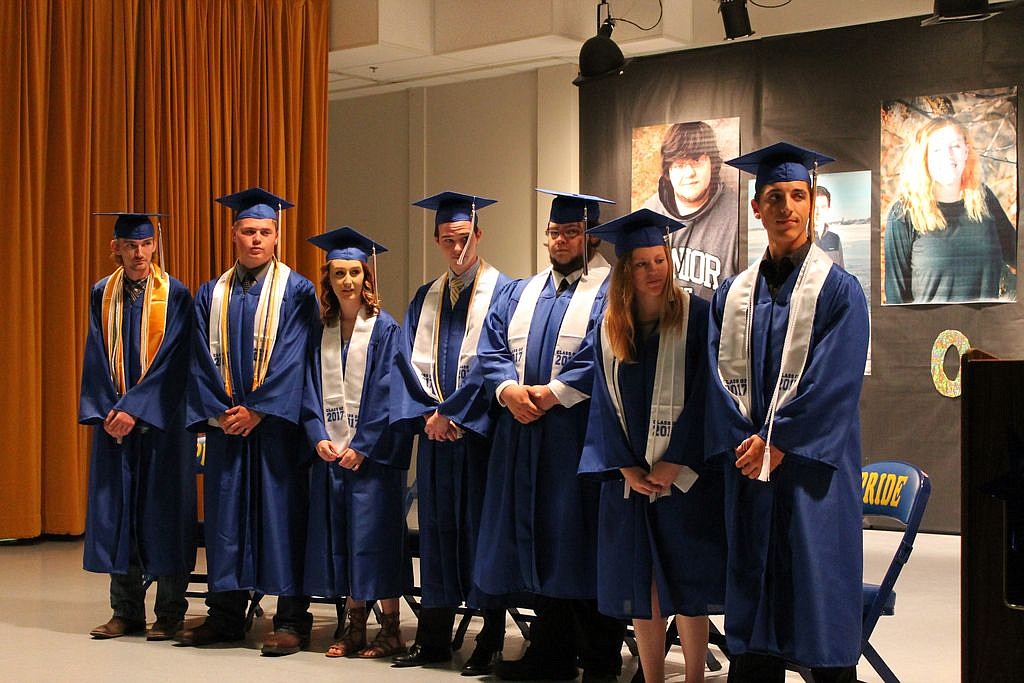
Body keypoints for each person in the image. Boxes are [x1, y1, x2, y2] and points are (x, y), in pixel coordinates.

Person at [707, 143, 870, 682]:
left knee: (816, 608)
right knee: (754, 619)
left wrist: (779, 442)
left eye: (797, 195)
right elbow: (716, 380)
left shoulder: (840, 291)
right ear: (757, 208)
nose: (787, 207)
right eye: (774, 197)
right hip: (751, 470)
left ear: (813, 205)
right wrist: (743, 441)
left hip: (808, 476)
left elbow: (835, 383)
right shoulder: (732, 295)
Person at [475, 189, 626, 682]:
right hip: (523, 437)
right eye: (555, 232)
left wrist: (553, 393)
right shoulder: (522, 290)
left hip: (577, 437)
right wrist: (507, 391)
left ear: (591, 237)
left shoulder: (610, 290)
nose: (561, 240)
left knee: (580, 542)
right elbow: (491, 346)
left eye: (572, 232)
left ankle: (600, 658)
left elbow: (603, 350)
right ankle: (552, 654)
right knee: (541, 541)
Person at [580, 208, 726, 683]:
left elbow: (709, 393)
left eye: (660, 259)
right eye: (641, 263)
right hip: (630, 483)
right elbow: (600, 401)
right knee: (643, 589)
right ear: (625, 272)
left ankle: (695, 679)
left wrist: (676, 460)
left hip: (683, 480)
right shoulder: (607, 330)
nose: (654, 271)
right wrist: (623, 467)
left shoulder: (699, 318)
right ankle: (652, 677)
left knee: (686, 584)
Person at [180, 187, 317, 656]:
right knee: (225, 520)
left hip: (275, 431)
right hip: (227, 430)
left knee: (282, 519)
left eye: (265, 231)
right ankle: (224, 616)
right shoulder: (210, 293)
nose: (256, 239)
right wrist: (220, 411)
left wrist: (259, 408)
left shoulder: (297, 290)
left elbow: (296, 356)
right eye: (248, 231)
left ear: (277, 236)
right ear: (233, 233)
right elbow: (198, 357)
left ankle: (292, 620)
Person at [390, 192, 511, 675]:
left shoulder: (505, 293)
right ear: (437, 239)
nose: (456, 247)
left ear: (478, 235)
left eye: (463, 238)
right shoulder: (425, 296)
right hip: (437, 441)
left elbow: (496, 362)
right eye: (447, 239)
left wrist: (455, 416)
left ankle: (491, 639)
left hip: (478, 440)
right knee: (438, 532)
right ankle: (434, 637)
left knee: (484, 536)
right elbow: (404, 361)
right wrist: (427, 416)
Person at [80, 212, 197, 641]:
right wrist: (110, 411)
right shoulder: (101, 293)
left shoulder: (177, 295)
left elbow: (174, 362)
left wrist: (136, 408)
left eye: (145, 244)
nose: (139, 253)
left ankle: (169, 612)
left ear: (155, 245)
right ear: (116, 248)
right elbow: (95, 354)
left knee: (167, 515)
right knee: (119, 513)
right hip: (115, 425)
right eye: (130, 245)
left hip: (164, 426)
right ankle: (125, 610)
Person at [302, 227, 413, 660]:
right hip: (332, 456)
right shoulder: (320, 330)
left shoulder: (385, 330)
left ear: (367, 278)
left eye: (354, 273)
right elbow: (308, 390)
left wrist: (363, 445)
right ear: (327, 280)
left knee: (378, 539)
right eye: (337, 274)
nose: (347, 281)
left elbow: (389, 393)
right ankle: (354, 627)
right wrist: (317, 437)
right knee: (345, 539)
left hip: (374, 460)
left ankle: (391, 628)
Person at [884, 116, 1017, 303]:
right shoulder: (904, 213)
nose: (948, 156)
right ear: (925, 158)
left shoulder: (984, 200)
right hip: (929, 331)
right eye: (937, 149)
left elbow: (1017, 254)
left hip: (986, 330)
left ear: (966, 151)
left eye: (954, 146)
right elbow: (895, 299)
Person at [642, 121, 739, 300]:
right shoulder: (648, 215)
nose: (689, 173)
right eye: (679, 165)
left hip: (713, 327)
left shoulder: (737, 216)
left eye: (697, 161)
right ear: (668, 171)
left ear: (712, 163)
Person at [812, 185, 845, 267]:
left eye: (823, 207)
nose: (818, 212)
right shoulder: (801, 239)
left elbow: (842, 273)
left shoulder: (835, 239)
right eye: (815, 207)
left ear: (828, 208)